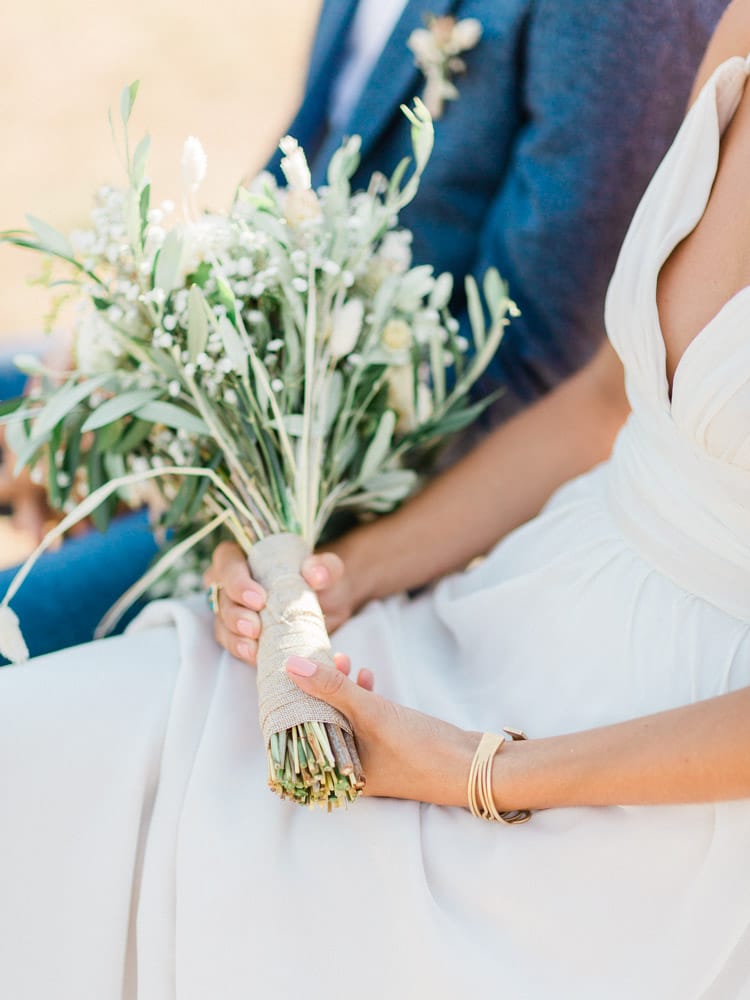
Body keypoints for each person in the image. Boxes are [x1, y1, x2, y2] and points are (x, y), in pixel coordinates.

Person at [2, 3, 750, 995]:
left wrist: (474, 771)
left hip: (644, 780)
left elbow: (530, 358)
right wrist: (331, 576)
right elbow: (603, 403)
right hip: (510, 608)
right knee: (40, 746)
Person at [0, 0, 726, 657]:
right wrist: (115, 378)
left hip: (358, 482)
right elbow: (300, 174)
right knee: (20, 388)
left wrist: (220, 477)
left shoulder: (630, 15)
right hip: (234, 383)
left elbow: (540, 370)